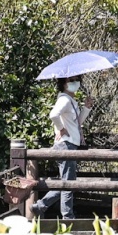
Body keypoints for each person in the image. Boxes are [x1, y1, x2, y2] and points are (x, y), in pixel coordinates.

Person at [33, 79, 89, 219]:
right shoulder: (64, 100)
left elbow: (77, 123)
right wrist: (61, 129)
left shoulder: (70, 101)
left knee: (68, 180)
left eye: (76, 80)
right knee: (68, 183)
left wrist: (86, 108)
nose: (75, 83)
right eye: (71, 81)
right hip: (66, 144)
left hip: (70, 144)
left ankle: (40, 206)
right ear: (64, 84)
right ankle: (67, 217)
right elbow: (53, 115)